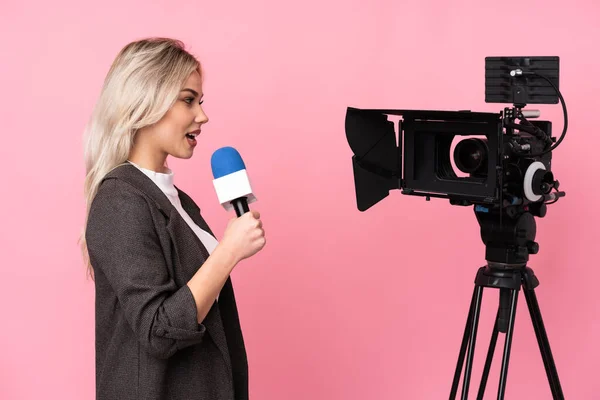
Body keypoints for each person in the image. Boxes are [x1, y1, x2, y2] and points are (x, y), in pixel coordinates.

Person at [79, 37, 266, 400]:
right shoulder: (120, 200)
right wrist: (228, 252)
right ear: (146, 102)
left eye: (200, 101)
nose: (203, 115)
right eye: (187, 100)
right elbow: (158, 331)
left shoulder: (178, 201)